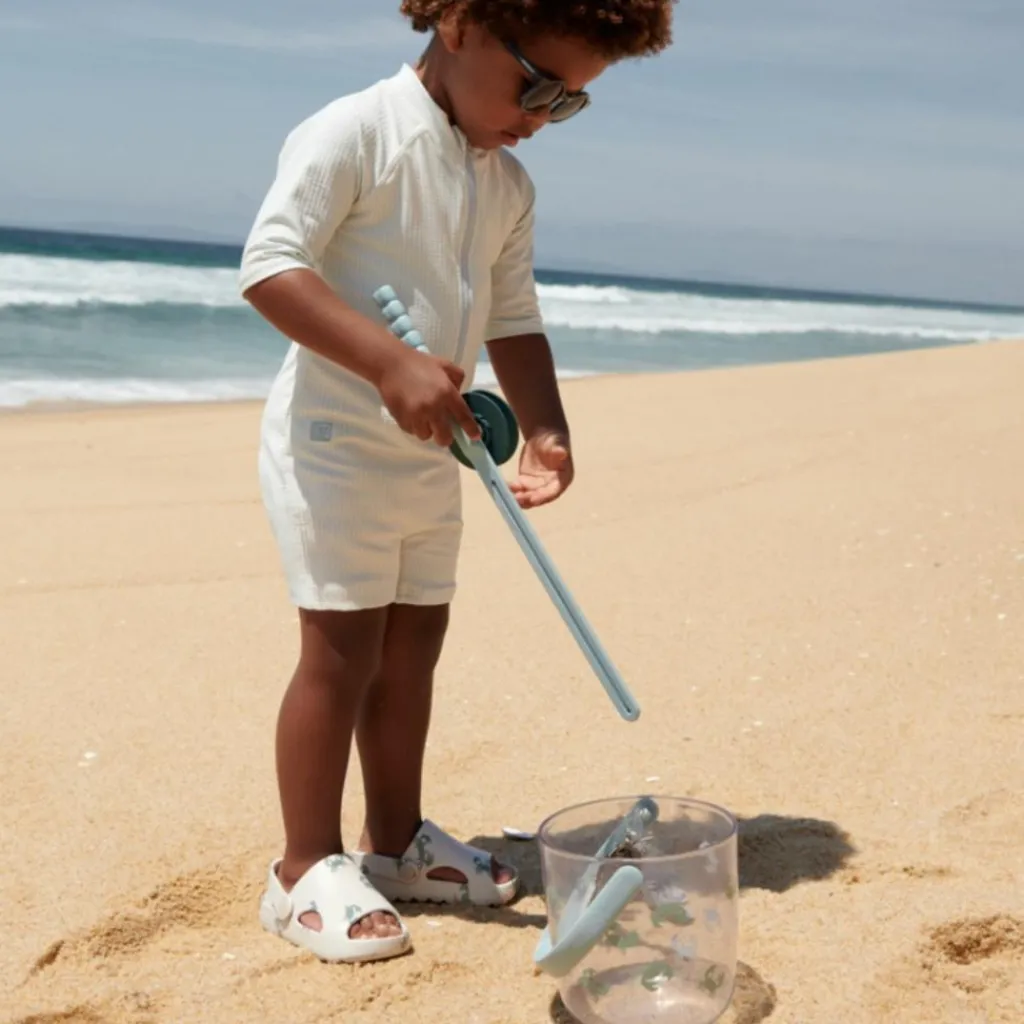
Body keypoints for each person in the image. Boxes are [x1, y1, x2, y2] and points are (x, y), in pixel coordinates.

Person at [238, 0, 675, 964]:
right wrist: (388, 364)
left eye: (571, 105)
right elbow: (271, 267)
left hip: (441, 451)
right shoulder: (357, 132)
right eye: (539, 85)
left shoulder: (506, 182)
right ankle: (301, 867)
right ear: (465, 23)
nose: (542, 115)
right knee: (341, 651)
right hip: (335, 446)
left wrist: (548, 426)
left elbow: (513, 314)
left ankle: (395, 843)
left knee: (414, 646)